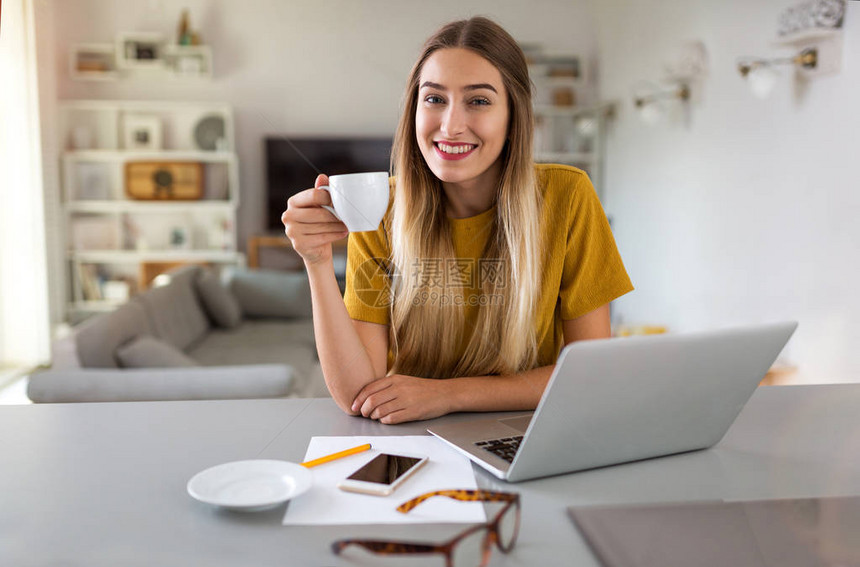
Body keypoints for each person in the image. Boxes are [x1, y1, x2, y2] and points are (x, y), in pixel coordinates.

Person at [281, 17, 633, 424]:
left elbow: (588, 374)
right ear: (414, 108)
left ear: (513, 116)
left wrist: (449, 394)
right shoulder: (380, 210)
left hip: (529, 433)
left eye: (479, 101)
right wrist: (317, 261)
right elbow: (359, 393)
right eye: (434, 99)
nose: (450, 125)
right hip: (413, 438)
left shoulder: (567, 197)